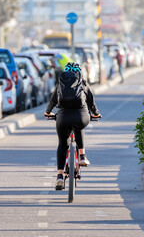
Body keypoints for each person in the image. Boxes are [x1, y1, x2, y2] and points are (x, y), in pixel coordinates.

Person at [44, 62, 101, 190]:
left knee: (62, 145)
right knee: (78, 127)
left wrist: (48, 113)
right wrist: (96, 114)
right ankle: (82, 156)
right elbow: (92, 104)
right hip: (81, 117)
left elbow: (52, 102)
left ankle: (59, 176)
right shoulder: (83, 84)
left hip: (62, 118)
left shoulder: (60, 85)